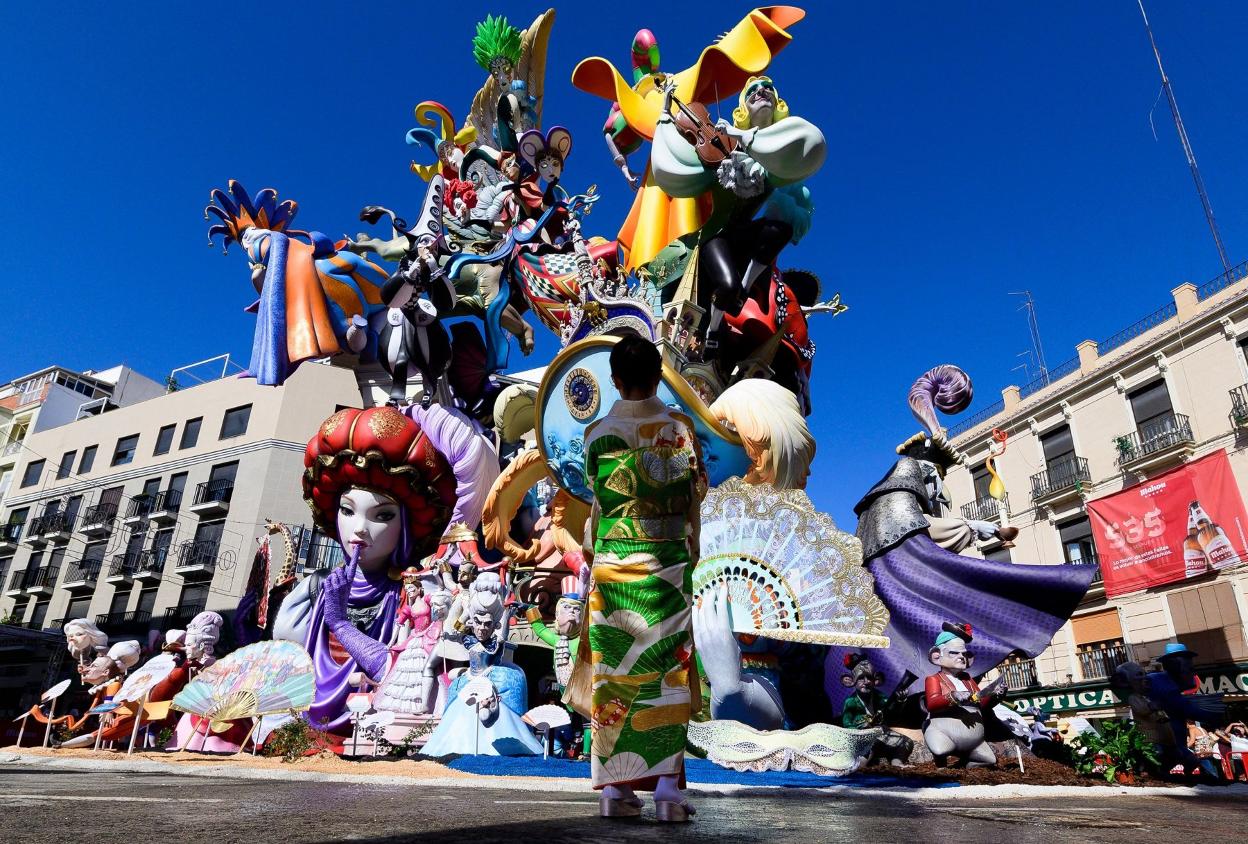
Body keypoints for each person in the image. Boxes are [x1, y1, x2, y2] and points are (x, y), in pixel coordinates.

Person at [584, 334, 707, 822]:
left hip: (613, 564)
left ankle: (614, 790)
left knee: (615, 675)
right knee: (666, 671)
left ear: (614, 379)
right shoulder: (677, 428)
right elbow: (693, 493)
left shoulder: (597, 433)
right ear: (660, 374)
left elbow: (596, 498)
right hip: (666, 565)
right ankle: (666, 790)